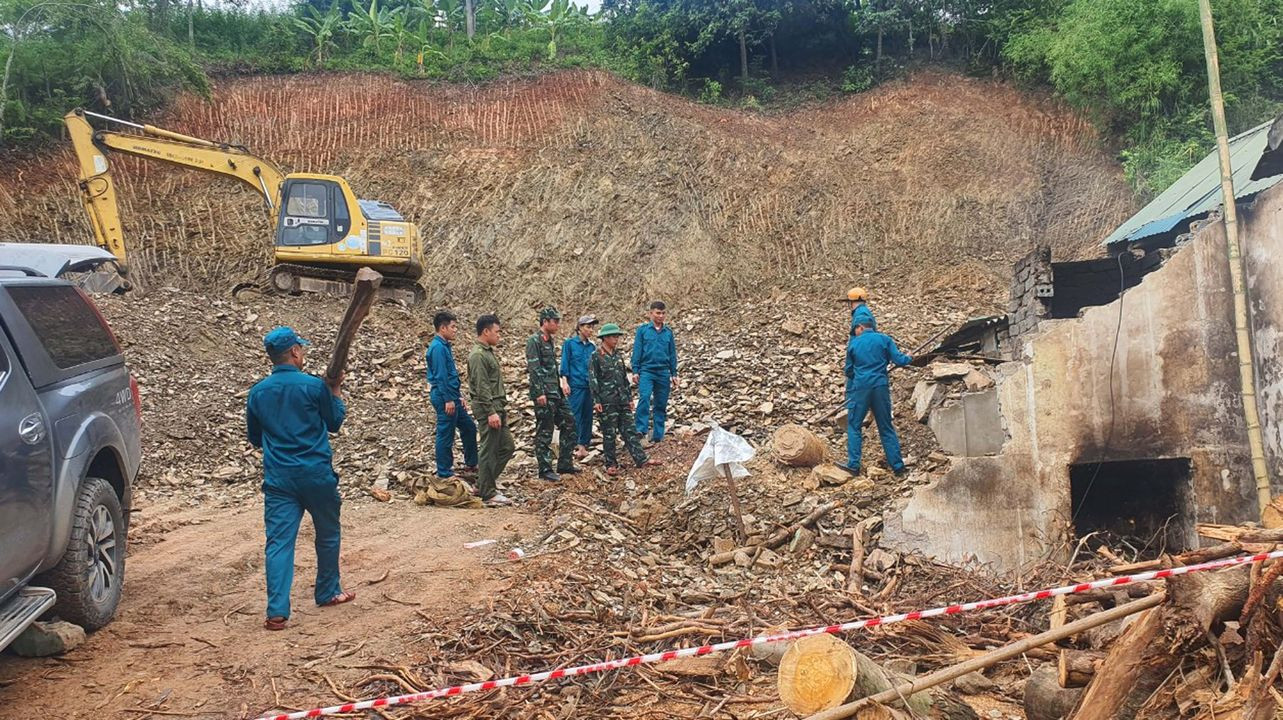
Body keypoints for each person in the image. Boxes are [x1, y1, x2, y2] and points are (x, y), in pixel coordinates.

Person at [246, 327, 355, 631]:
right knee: (328, 533)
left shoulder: (258, 392)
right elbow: (334, 422)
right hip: (317, 474)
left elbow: (255, 437)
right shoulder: (313, 386)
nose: (303, 354)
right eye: (301, 349)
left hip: (279, 479)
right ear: (294, 352)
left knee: (279, 542)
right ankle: (328, 590)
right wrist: (335, 391)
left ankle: (277, 610)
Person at [589, 323, 661, 476]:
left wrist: (629, 398)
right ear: (605, 338)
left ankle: (641, 459)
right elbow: (593, 379)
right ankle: (610, 463)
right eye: (614, 337)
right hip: (607, 401)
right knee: (609, 434)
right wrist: (596, 401)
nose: (617, 339)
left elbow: (623, 378)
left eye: (617, 336)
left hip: (622, 400)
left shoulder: (617, 355)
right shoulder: (596, 356)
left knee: (630, 431)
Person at [843, 322, 912, 477]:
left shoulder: (854, 344)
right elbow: (900, 360)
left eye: (855, 330)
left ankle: (853, 466)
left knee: (854, 425)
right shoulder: (884, 339)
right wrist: (910, 358)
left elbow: (848, 370)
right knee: (886, 426)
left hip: (861, 388)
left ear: (860, 327)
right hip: (880, 386)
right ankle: (898, 467)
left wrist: (859, 378)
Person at [526, 307, 578, 482]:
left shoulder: (549, 341)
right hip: (544, 394)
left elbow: (551, 368)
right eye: (554, 321)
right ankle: (545, 469)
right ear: (545, 322)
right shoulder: (534, 341)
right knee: (545, 431)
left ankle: (564, 463)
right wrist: (539, 392)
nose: (557, 324)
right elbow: (534, 368)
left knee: (570, 423)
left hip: (556, 393)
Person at [467, 314, 514, 507]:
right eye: (497, 332)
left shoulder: (487, 352)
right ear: (485, 332)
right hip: (489, 409)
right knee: (489, 449)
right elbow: (482, 386)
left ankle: (483, 483)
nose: (499, 336)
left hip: (496, 407)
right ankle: (487, 492)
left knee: (506, 447)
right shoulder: (478, 355)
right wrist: (490, 411)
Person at [426, 310, 478, 481]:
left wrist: (458, 395)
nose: (456, 330)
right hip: (443, 396)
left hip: (451, 395)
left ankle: (472, 463)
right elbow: (441, 376)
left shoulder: (445, 346)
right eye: (453, 327)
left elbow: (450, 375)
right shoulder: (438, 348)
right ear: (442, 328)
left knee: (469, 427)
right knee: (446, 433)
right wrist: (448, 398)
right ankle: (444, 471)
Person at [630, 300, 678, 444]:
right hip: (647, 371)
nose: (661, 316)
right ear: (651, 313)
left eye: (663, 313)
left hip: (663, 372)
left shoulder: (668, 332)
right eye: (658, 313)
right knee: (644, 398)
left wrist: (674, 374)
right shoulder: (643, 330)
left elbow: (672, 354)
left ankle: (658, 435)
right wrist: (635, 370)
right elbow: (637, 351)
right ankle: (641, 429)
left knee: (661, 403)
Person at [560, 314, 598, 460]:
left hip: (589, 386)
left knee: (587, 415)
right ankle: (570, 446)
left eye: (592, 327)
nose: (590, 330)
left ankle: (583, 445)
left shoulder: (592, 346)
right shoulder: (569, 344)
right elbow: (565, 363)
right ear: (580, 328)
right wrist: (564, 382)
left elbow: (594, 367)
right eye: (588, 327)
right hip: (575, 385)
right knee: (574, 415)